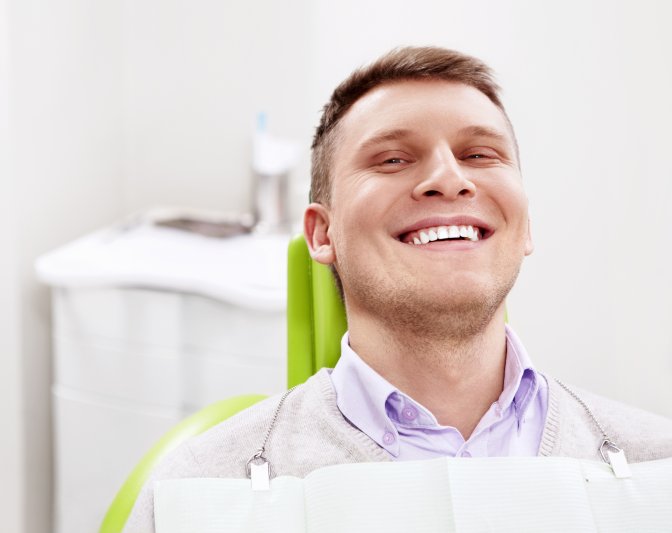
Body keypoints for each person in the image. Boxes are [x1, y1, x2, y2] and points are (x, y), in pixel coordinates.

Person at [125, 46, 672, 532]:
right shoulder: (199, 495)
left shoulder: (658, 469)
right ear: (322, 233)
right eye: (392, 159)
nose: (450, 178)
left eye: (480, 154)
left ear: (525, 224)